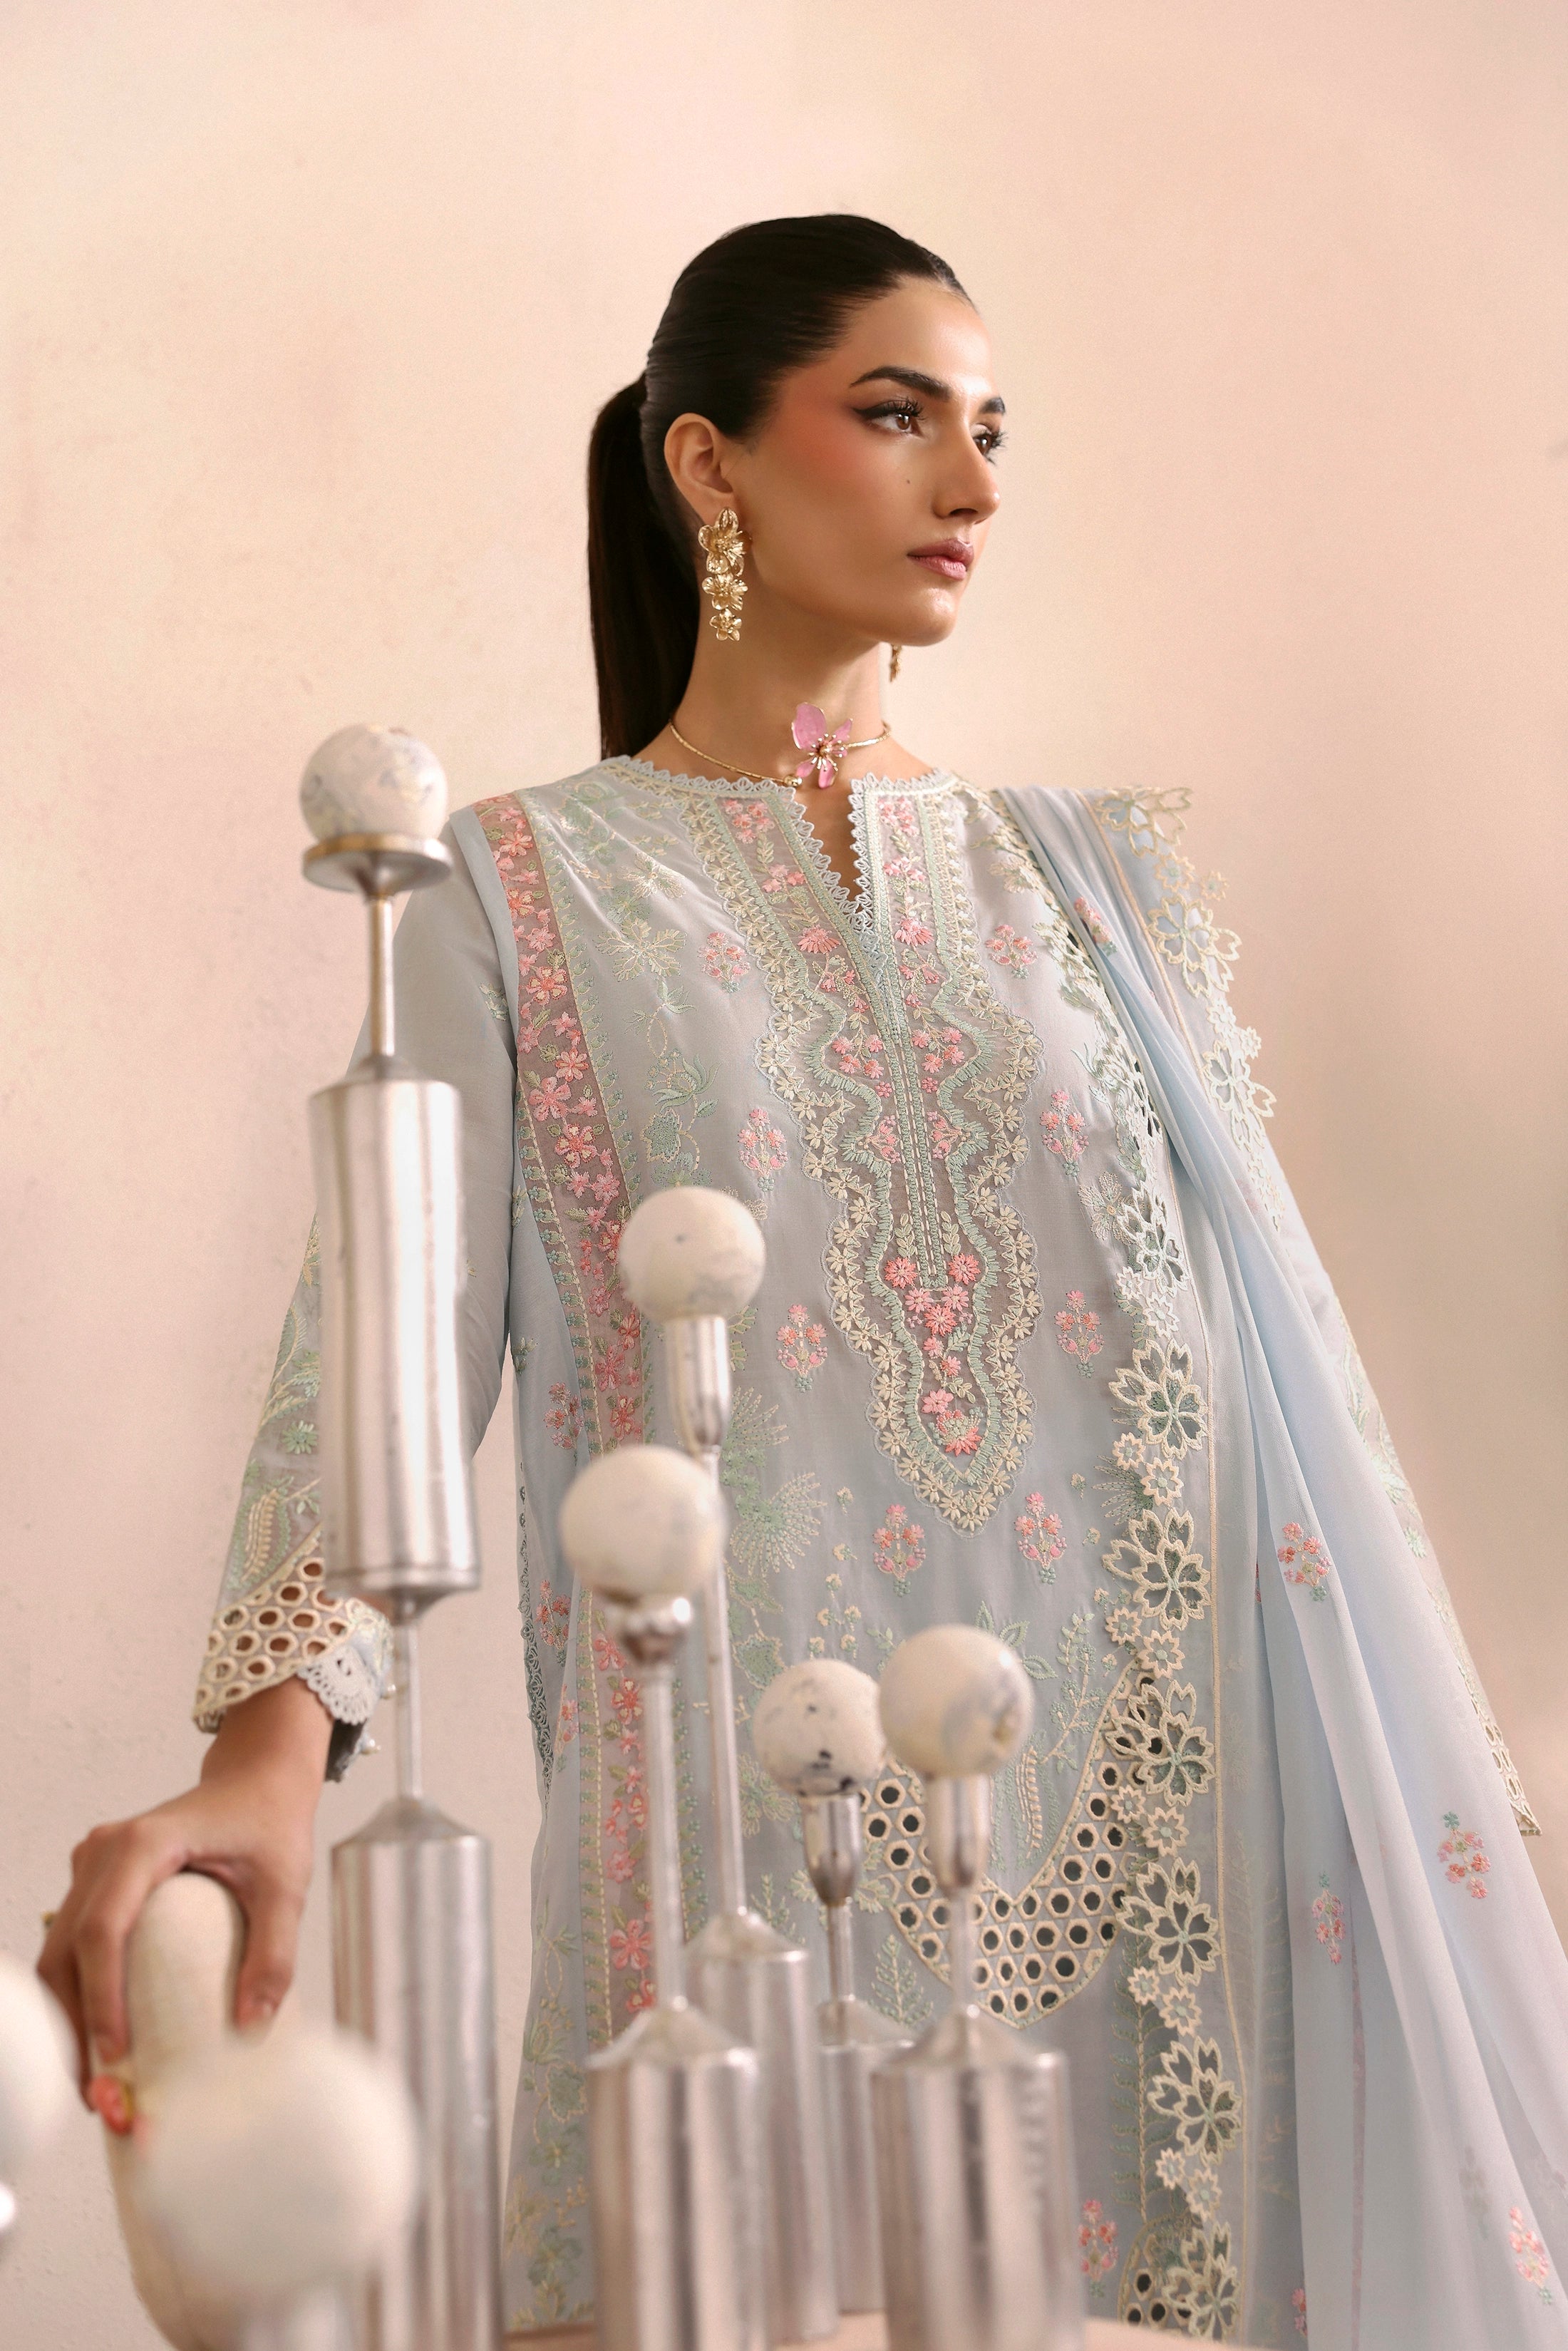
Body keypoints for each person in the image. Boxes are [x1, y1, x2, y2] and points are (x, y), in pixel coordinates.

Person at [41, 215, 1568, 2349]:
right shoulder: (518, 889)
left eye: (995, 430)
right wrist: (269, 1755)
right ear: (709, 461)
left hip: (1178, 1889)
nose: (974, 481)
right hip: (733, 1895)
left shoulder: (1102, 890)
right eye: (899, 412)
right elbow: (380, 1356)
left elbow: (1268, 1415)